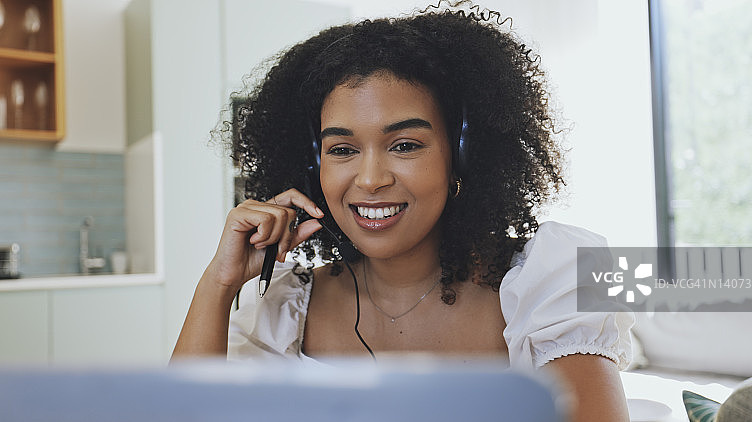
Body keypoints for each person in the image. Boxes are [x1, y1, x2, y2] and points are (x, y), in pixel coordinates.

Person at [173, 3, 634, 421]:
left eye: (405, 145)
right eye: (343, 149)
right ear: (313, 169)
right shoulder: (283, 307)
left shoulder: (554, 278)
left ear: (461, 156)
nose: (370, 179)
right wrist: (218, 284)